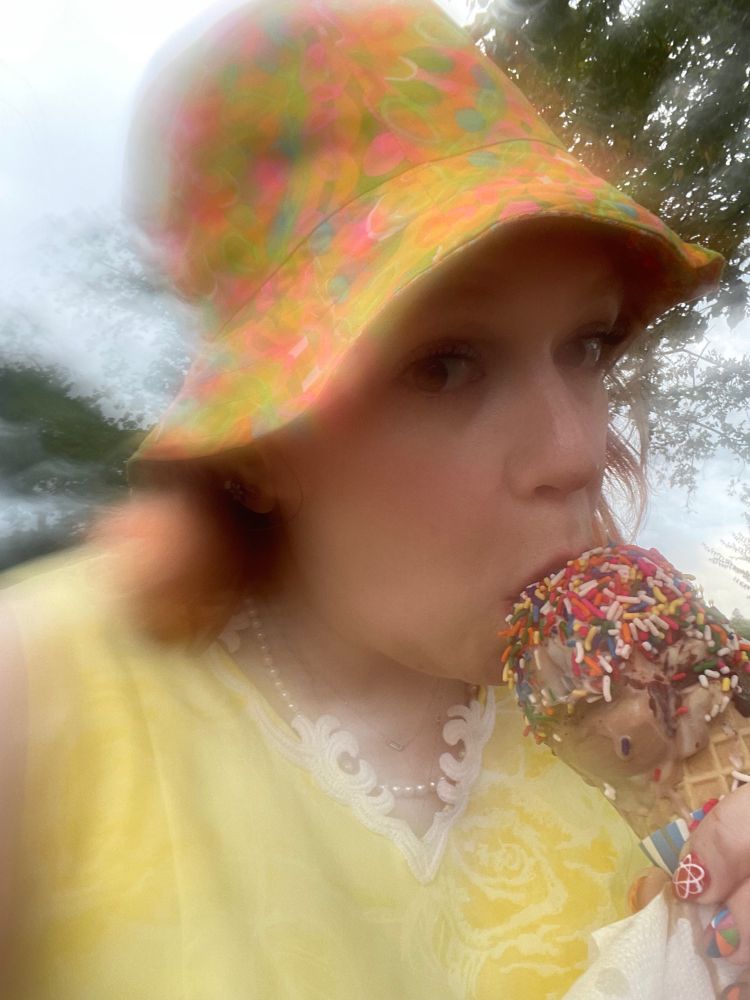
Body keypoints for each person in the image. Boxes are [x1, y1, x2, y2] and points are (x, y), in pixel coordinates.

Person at [1, 1, 745, 997]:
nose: (577, 449)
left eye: (588, 346)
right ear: (263, 449)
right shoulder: (44, 698)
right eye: (445, 366)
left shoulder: (659, 722)